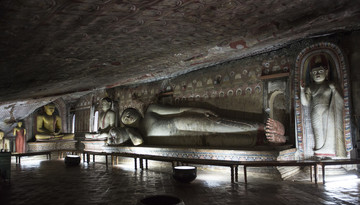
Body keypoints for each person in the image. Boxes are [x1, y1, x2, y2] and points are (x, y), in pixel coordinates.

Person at [109, 104, 285, 146]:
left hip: (180, 122)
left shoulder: (150, 111)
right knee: (217, 137)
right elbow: (137, 142)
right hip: (178, 137)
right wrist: (127, 130)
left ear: (138, 112)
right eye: (125, 116)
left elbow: (177, 110)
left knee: (217, 125)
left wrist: (199, 110)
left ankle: (262, 126)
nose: (127, 115)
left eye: (129, 112)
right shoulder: (138, 134)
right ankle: (262, 137)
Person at [300, 54, 345, 157]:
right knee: (318, 133)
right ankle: (319, 153)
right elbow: (305, 103)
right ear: (311, 74)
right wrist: (302, 90)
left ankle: (331, 152)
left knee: (329, 132)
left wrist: (334, 89)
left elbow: (340, 100)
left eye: (320, 71)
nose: (317, 74)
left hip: (328, 110)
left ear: (326, 72)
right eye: (315, 72)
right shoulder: (310, 87)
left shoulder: (330, 84)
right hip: (315, 111)